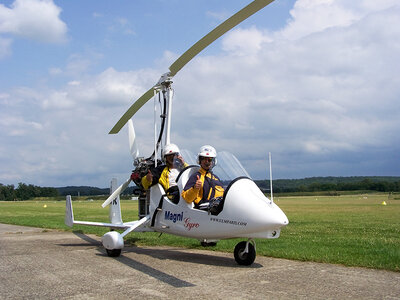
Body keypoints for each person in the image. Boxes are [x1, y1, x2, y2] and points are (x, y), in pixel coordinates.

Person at [182, 145, 224, 209]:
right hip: (201, 212)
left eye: (209, 159)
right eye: (204, 159)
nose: (206, 162)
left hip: (215, 211)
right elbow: (187, 198)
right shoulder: (196, 177)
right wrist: (195, 188)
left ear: (213, 162)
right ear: (199, 160)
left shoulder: (216, 179)